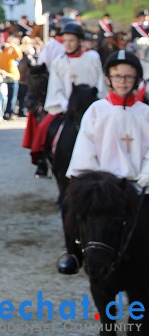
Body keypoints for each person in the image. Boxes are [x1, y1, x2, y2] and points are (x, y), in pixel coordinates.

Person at [58, 50, 149, 274]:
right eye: (118, 76)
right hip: (103, 185)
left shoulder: (146, 113)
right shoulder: (96, 111)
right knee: (68, 205)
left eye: (128, 77)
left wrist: (145, 177)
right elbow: (86, 147)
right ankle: (73, 253)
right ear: (108, 78)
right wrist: (92, 181)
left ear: (136, 79)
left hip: (140, 182)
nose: (123, 82)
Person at [30, 21, 107, 177]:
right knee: (45, 127)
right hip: (65, 107)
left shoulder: (92, 57)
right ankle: (42, 160)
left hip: (91, 106)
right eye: (65, 41)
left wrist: (97, 102)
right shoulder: (59, 62)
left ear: (79, 41)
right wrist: (63, 102)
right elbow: (55, 86)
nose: (68, 44)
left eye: (71, 40)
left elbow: (99, 82)